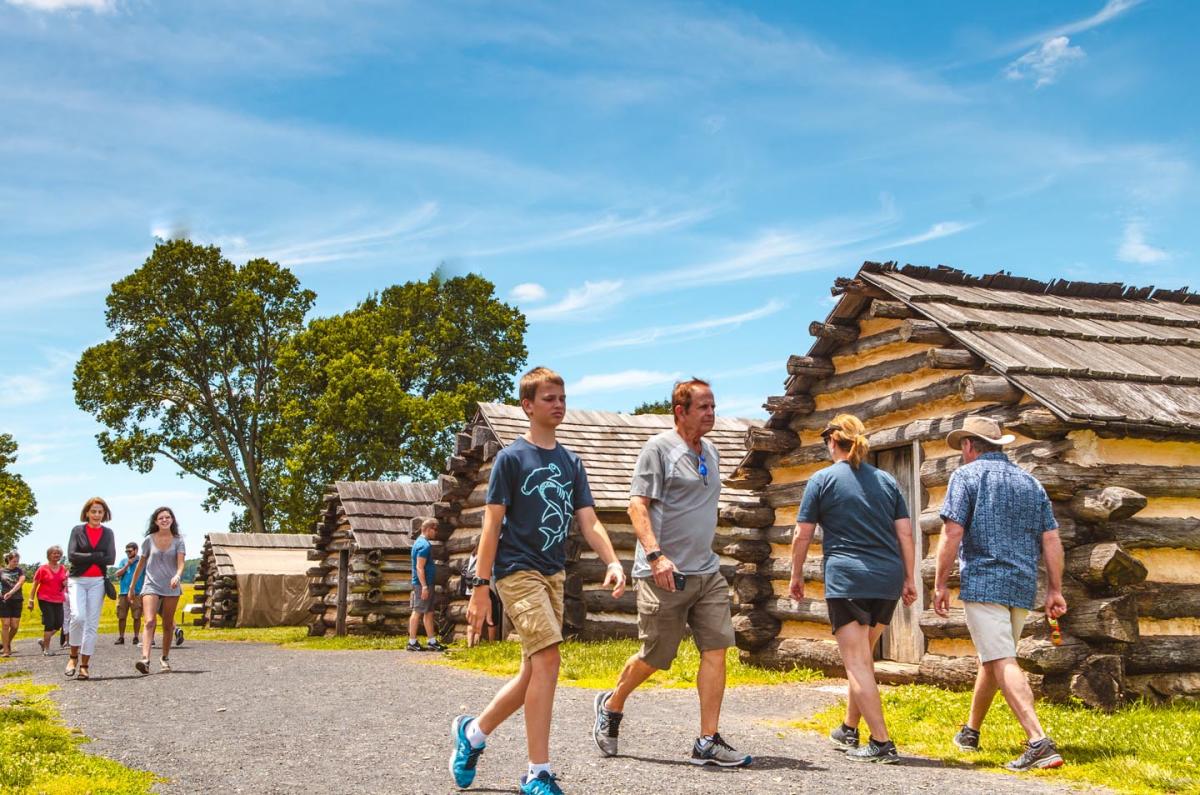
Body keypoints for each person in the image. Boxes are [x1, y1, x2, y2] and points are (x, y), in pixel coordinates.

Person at [451, 366, 626, 795]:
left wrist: (613, 560)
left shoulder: (571, 462)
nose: (559, 405)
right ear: (528, 406)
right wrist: (479, 587)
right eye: (549, 398)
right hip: (515, 571)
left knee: (533, 672)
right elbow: (491, 527)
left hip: (553, 573)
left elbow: (588, 520)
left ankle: (473, 733)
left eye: (562, 398)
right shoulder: (511, 459)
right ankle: (537, 772)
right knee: (549, 658)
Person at [593, 379, 753, 768]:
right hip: (663, 572)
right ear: (680, 411)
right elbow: (636, 506)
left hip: (706, 571)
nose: (711, 414)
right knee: (656, 655)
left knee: (717, 649)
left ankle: (707, 740)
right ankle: (612, 705)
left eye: (713, 406)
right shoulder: (658, 449)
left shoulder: (711, 451)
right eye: (703, 407)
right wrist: (656, 556)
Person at [933, 416, 1066, 771]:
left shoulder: (965, 476)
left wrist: (940, 582)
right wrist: (1054, 588)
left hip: (984, 581)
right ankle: (970, 731)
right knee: (992, 658)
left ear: (968, 446)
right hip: (1022, 585)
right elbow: (1051, 539)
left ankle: (1038, 741)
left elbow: (952, 532)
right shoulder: (1030, 482)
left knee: (1001, 658)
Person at [787, 414, 917, 764]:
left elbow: (802, 533)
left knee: (857, 662)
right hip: (887, 580)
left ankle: (881, 742)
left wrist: (796, 575)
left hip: (848, 579)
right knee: (864, 658)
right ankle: (848, 727)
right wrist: (909, 577)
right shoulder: (887, 481)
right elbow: (905, 533)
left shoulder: (822, 480)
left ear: (833, 440)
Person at [129, 506, 186, 675]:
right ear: (156, 521)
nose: (165, 520)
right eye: (161, 518)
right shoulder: (149, 540)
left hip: (171, 585)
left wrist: (177, 575)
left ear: (172, 520)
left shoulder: (178, 540)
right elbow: (141, 564)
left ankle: (165, 658)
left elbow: (181, 563)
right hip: (151, 584)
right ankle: (145, 659)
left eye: (168, 517)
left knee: (168, 624)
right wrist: (132, 587)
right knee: (149, 621)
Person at [66, 497, 117, 679]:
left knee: (91, 625)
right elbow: (72, 555)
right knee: (78, 617)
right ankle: (73, 656)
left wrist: (87, 556)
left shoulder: (108, 533)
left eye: (100, 512)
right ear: (87, 513)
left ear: (104, 514)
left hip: (97, 581)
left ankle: (84, 665)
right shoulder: (77, 530)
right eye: (93, 511)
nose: (96, 514)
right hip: (78, 580)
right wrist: (96, 555)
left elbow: (111, 559)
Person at [408, 518, 446, 652]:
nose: (436, 533)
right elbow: (419, 567)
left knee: (429, 612)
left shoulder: (420, 543)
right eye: (435, 530)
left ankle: (432, 641)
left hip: (426, 584)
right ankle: (412, 642)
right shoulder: (424, 545)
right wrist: (424, 586)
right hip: (421, 584)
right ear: (428, 529)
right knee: (417, 611)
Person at [28, 545, 69, 656]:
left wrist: (65, 583)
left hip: (58, 599)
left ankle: (43, 641)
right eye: (54, 553)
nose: (57, 555)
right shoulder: (42, 569)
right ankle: (46, 649)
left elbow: (64, 582)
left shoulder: (63, 568)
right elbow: (35, 584)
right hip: (45, 598)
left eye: (58, 554)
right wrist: (31, 599)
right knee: (49, 623)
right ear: (49, 555)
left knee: (58, 623)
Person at [463, 549, 501, 647]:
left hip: (470, 589)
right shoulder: (485, 553)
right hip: (485, 588)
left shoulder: (472, 555)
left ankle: (470, 644)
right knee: (492, 616)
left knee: (473, 617)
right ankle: (491, 643)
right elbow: (491, 571)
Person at [113, 542, 143, 645]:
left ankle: (136, 637)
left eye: (130, 551)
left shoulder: (142, 562)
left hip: (137, 593)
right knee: (121, 616)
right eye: (126, 551)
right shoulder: (123, 561)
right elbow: (117, 574)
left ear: (136, 550)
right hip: (123, 592)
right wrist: (127, 564)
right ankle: (121, 637)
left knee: (137, 616)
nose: (128, 553)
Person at [1, 551, 26, 657]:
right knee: (6, 625)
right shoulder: (1, 571)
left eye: (17, 561)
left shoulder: (20, 571)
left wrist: (10, 593)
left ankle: (6, 643)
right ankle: (6, 650)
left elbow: (20, 583)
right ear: (9, 560)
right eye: (14, 561)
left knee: (14, 626)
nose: (16, 563)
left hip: (16, 599)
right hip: (3, 601)